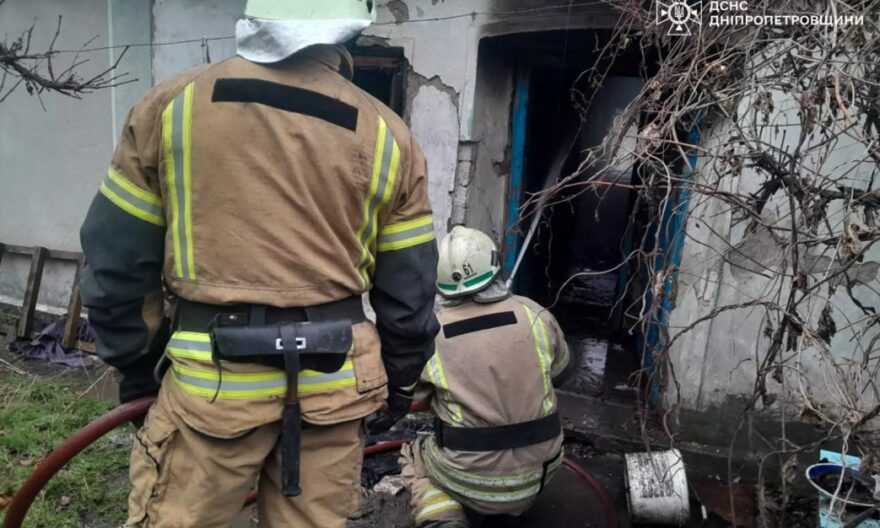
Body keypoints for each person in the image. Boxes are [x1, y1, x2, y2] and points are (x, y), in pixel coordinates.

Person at [78, 1, 439, 527]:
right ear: (350, 28)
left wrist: (137, 366)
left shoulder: (173, 106)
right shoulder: (389, 134)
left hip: (210, 391)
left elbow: (117, 262)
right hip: (334, 393)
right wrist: (401, 384)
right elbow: (411, 290)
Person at [399, 226, 571, 528]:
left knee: (413, 455)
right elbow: (560, 374)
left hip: (467, 477)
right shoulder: (535, 314)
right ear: (494, 265)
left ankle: (444, 519)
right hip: (541, 471)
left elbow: (412, 402)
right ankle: (511, 509)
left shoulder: (430, 332)